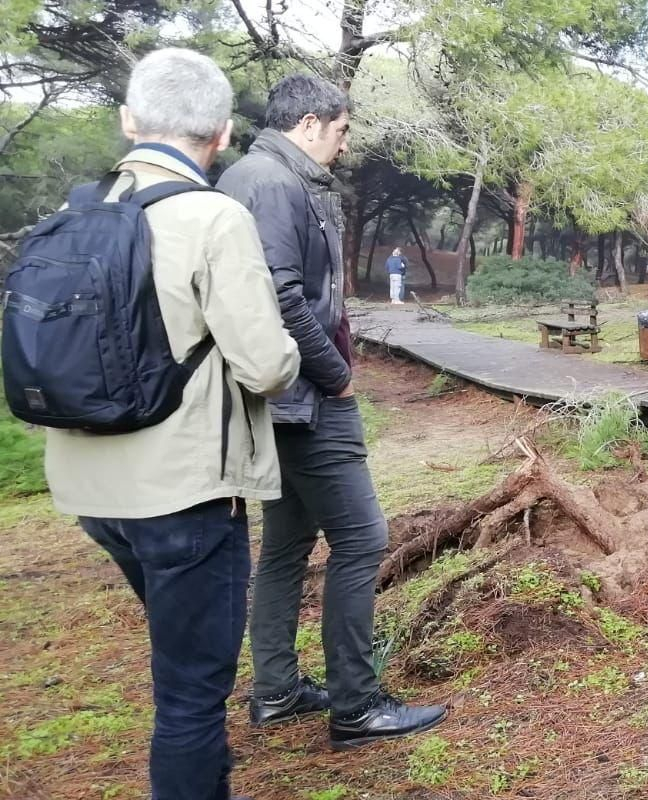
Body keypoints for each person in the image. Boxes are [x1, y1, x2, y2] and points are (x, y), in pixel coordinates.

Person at [38, 48, 302, 800]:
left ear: (128, 120)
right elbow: (267, 368)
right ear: (220, 134)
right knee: (190, 695)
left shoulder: (75, 213)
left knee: (186, 660)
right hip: (184, 494)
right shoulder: (213, 217)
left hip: (94, 494)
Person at [218, 73, 446, 750]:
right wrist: (336, 375)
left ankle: (278, 691)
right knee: (362, 539)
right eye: (342, 131)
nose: (345, 146)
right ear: (311, 123)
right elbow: (285, 297)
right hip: (307, 398)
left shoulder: (254, 176)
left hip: (282, 401)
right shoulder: (274, 184)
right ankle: (356, 704)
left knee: (286, 544)